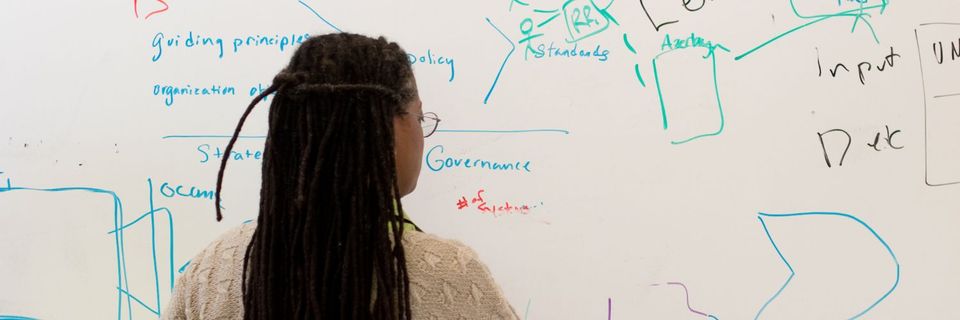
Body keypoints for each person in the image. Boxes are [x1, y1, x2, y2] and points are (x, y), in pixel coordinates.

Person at [162, 33, 519, 319]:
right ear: (386, 128)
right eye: (419, 118)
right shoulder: (451, 276)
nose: (422, 132)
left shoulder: (213, 272)